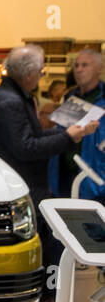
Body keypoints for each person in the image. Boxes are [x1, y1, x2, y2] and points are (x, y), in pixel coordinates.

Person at [0, 44, 99, 302]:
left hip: (29, 186)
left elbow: (31, 138)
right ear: (28, 74)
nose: (42, 75)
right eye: (40, 70)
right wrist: (67, 137)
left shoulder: (13, 97)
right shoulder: (9, 102)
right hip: (21, 188)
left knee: (42, 249)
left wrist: (69, 134)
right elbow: (26, 147)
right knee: (30, 255)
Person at [55, 48, 105, 200]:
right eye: (76, 66)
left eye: (84, 65)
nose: (78, 70)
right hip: (64, 174)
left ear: (99, 69)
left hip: (96, 176)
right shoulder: (70, 96)